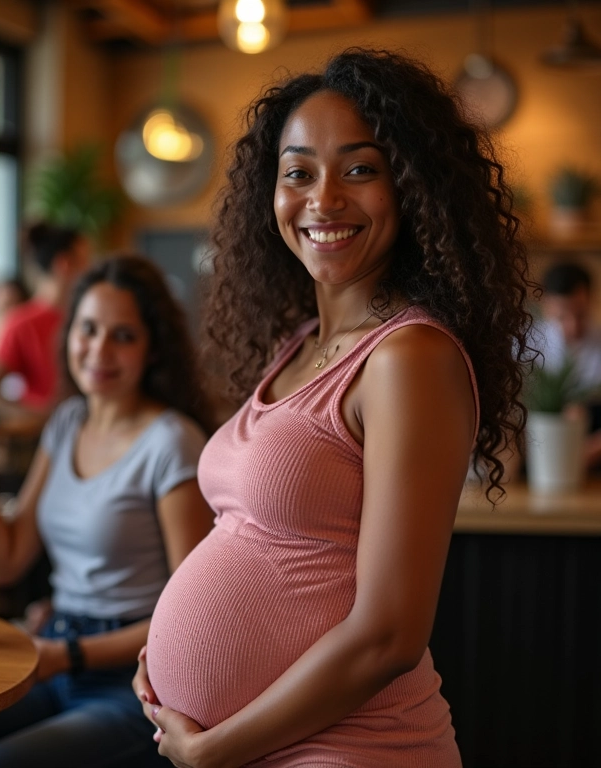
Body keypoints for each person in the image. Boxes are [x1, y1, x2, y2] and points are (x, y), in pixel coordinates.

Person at [133, 47, 533, 767]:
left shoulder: (409, 357)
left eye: (360, 170)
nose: (323, 200)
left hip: (350, 747)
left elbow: (389, 636)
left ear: (410, 187)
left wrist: (214, 748)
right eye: (298, 173)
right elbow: (253, 541)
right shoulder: (298, 344)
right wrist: (167, 652)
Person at [0, 254, 215, 768]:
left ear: (153, 348)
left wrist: (72, 654)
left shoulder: (171, 442)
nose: (99, 350)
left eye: (123, 336)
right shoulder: (67, 422)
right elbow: (4, 562)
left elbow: (191, 616)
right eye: (87, 329)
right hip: (53, 653)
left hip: (133, 684)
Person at [0, 222, 91, 421]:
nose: (89, 269)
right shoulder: (21, 323)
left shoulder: (86, 319)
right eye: (84, 261)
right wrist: (42, 418)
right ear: (64, 264)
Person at [532, 261, 601, 467]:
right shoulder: (526, 345)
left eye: (580, 314)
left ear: (591, 300)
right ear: (546, 306)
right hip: (538, 448)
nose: (572, 326)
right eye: (562, 316)